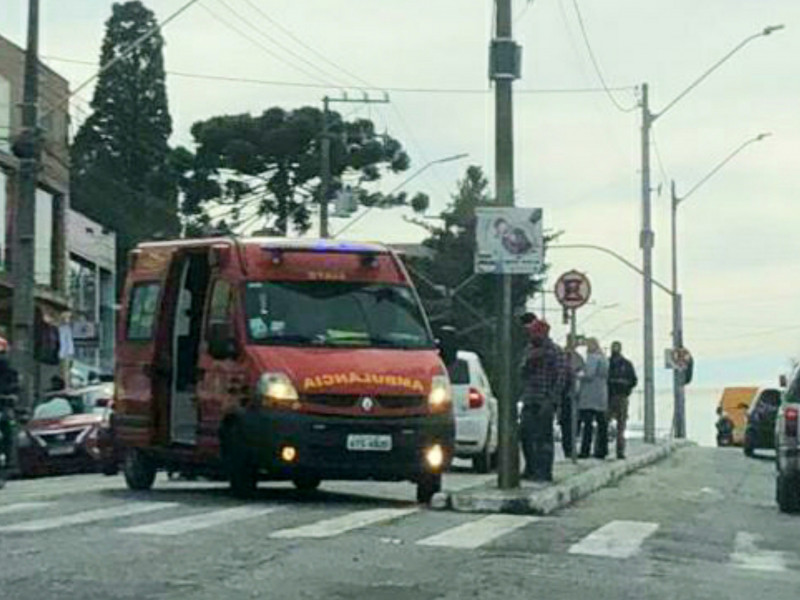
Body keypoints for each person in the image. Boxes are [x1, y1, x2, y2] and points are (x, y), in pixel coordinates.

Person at [519, 319, 563, 482]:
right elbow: (521, 373)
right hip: (530, 399)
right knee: (525, 435)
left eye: (533, 332)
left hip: (545, 400)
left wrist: (552, 400)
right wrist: (530, 361)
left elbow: (561, 377)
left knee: (543, 437)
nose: (530, 336)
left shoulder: (555, 351)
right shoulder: (529, 350)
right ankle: (530, 468)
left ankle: (544, 471)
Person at [578, 338, 609, 460]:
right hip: (601, 394)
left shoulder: (592, 358)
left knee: (588, 425)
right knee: (602, 424)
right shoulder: (604, 358)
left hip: (590, 395)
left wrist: (578, 375)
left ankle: (585, 450)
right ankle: (602, 450)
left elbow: (589, 374)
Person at [607, 341, 638, 459]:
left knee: (621, 426)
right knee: (604, 424)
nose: (615, 350)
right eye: (613, 347)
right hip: (609, 397)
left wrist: (625, 385)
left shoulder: (627, 364)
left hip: (621, 396)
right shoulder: (607, 362)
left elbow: (634, 380)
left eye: (617, 347)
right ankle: (602, 450)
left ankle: (620, 451)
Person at [559, 340, 585, 457]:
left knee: (572, 424)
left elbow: (582, 372)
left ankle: (570, 449)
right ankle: (568, 449)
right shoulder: (562, 358)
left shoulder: (577, 358)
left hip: (573, 396)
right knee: (567, 425)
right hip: (566, 396)